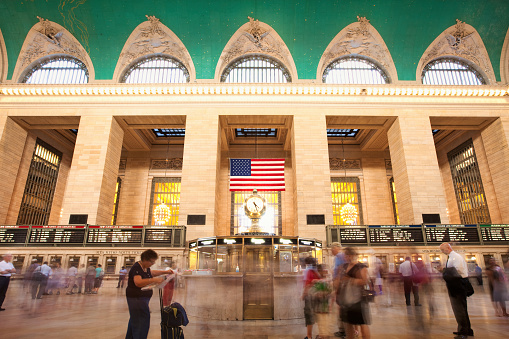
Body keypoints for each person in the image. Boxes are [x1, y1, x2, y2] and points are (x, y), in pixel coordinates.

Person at [126, 249, 172, 339]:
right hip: (136, 298)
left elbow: (151, 272)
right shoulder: (136, 267)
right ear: (145, 260)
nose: (153, 264)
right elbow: (138, 282)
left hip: (141, 298)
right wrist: (154, 280)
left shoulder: (144, 267)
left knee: (135, 319)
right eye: (152, 262)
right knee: (141, 321)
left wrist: (165, 272)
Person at [439, 242, 474, 338]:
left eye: (442, 250)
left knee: (460, 309)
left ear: (448, 248)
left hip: (458, 284)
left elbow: (457, 270)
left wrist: (444, 270)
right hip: (455, 284)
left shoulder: (455, 257)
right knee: (461, 308)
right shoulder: (452, 257)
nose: (442, 252)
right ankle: (466, 329)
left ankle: (464, 332)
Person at [339, 247, 371, 339]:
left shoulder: (361, 267)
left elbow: (364, 281)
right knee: (348, 323)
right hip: (347, 299)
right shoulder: (344, 266)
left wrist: (350, 280)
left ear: (352, 255)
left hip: (358, 299)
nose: (345, 257)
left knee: (362, 323)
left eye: (346, 255)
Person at [302, 256, 321, 339]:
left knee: (309, 316)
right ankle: (320, 334)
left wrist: (303, 294)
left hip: (310, 295)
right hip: (319, 295)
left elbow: (308, 283)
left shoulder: (308, 270)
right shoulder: (318, 270)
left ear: (306, 263)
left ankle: (309, 336)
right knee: (319, 315)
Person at [331, 242, 346, 338]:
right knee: (340, 307)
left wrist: (336, 287)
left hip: (341, 286)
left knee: (342, 308)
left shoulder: (340, 256)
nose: (332, 251)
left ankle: (345, 331)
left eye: (333, 249)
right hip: (340, 285)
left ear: (337, 248)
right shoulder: (338, 257)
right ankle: (342, 330)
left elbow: (340, 271)